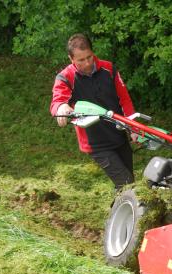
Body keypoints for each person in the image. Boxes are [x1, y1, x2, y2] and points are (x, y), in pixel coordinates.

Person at [50, 33, 136, 190]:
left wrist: (133, 127)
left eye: (89, 57)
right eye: (81, 60)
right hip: (96, 143)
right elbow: (57, 101)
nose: (87, 63)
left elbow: (125, 100)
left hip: (118, 135)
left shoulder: (109, 69)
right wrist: (61, 107)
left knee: (126, 185)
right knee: (127, 185)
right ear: (71, 59)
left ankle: (118, 213)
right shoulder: (66, 77)